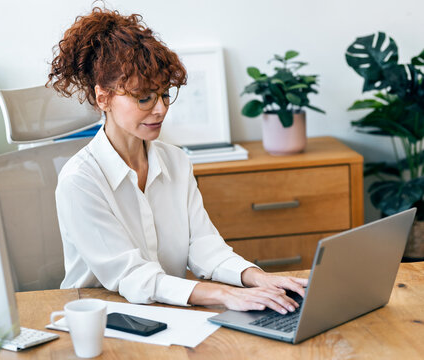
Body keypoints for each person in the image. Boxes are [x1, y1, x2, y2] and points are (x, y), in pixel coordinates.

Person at [47, 7, 307, 315]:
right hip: (101, 319)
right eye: (144, 97)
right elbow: (132, 276)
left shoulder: (176, 161)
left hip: (166, 312)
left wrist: (259, 279)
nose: (160, 110)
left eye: (165, 94)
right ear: (103, 97)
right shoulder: (81, 180)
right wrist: (225, 295)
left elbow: (204, 247)